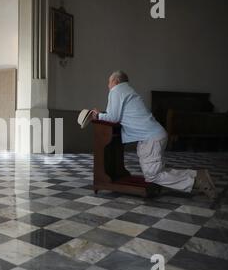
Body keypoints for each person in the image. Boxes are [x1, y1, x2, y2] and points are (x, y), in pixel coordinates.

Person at [91, 71, 217, 201]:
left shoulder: (116, 90)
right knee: (158, 172)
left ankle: (198, 183)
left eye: (109, 82)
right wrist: (103, 115)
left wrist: (98, 115)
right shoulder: (128, 91)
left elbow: (113, 117)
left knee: (153, 176)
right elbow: (117, 115)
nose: (108, 85)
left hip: (150, 138)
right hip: (155, 135)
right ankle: (197, 174)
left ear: (116, 81)